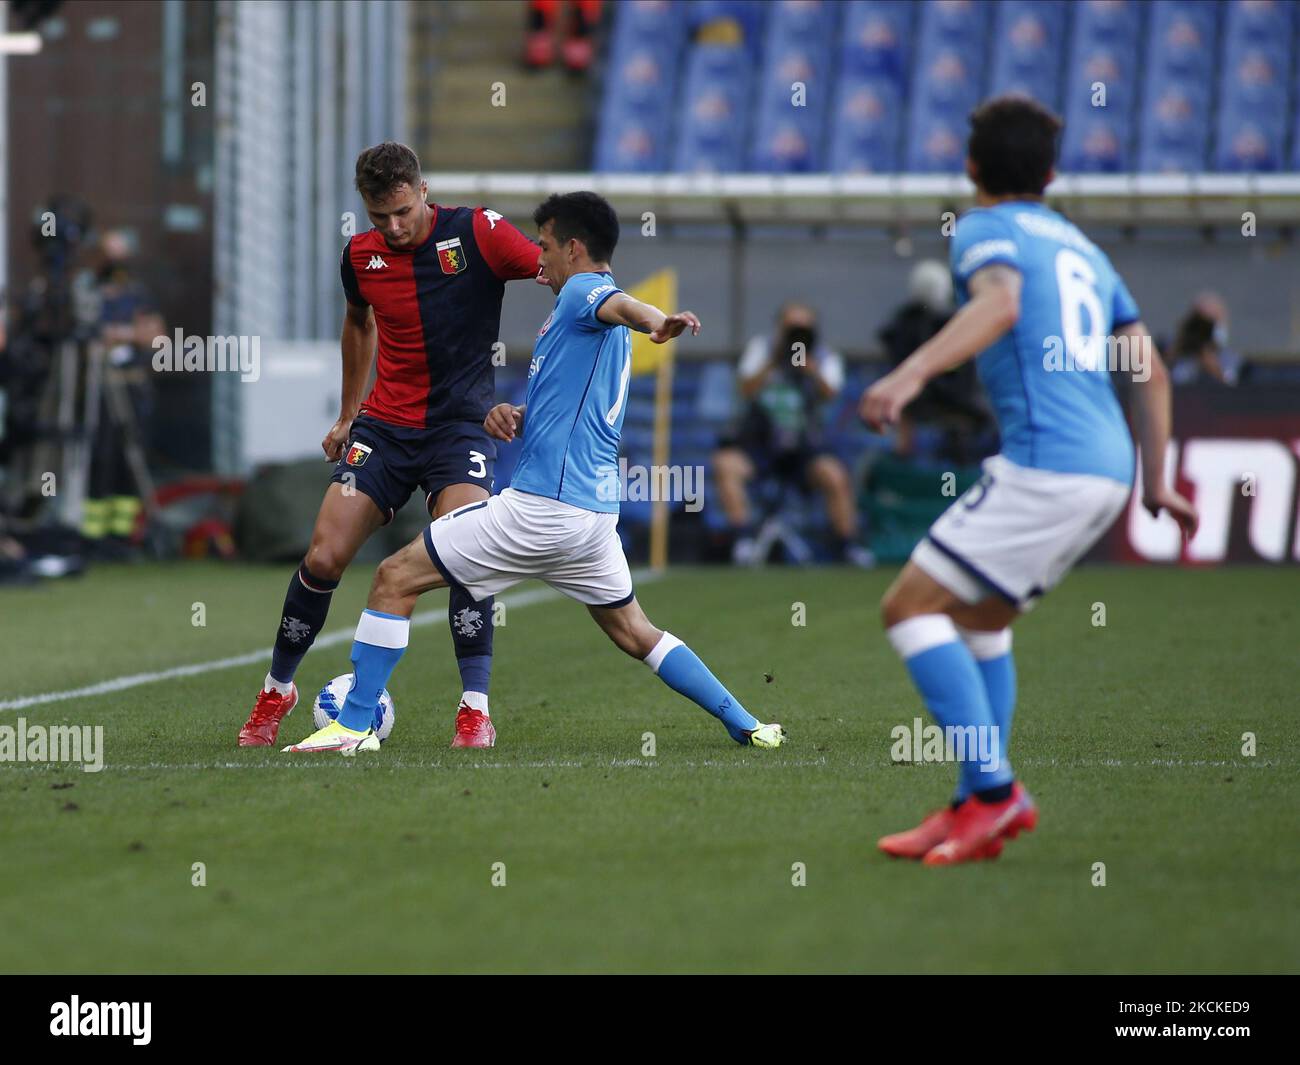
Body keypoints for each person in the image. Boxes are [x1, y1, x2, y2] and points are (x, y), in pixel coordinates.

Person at [282, 191, 786, 755]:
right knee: (636, 631)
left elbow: (620, 303)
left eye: (543, 246)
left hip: (543, 508)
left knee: (393, 578)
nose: (536, 259)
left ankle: (352, 727)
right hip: (594, 518)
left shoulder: (580, 291)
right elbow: (579, 399)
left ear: (573, 248)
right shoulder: (584, 323)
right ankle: (747, 723)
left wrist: (656, 321)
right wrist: (520, 416)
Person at [860, 96, 1198, 866]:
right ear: (1051, 173)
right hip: (1106, 466)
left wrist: (909, 373)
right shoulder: (1083, 248)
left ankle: (994, 790)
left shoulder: (983, 229)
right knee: (980, 622)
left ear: (971, 165)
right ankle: (968, 807)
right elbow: (1147, 366)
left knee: (908, 607)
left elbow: (1002, 303)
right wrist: (1157, 478)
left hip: (1050, 463)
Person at [236, 142, 540, 750]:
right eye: (381, 217)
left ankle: (474, 709)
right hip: (385, 428)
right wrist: (349, 414)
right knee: (323, 557)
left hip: (462, 428)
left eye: (403, 211)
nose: (394, 228)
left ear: (422, 190)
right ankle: (276, 691)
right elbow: (358, 321)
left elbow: (562, 280)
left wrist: (541, 391)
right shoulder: (359, 255)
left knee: (465, 556)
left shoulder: (479, 232)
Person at [712, 302, 872, 566]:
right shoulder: (761, 349)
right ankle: (742, 540)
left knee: (834, 474)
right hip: (760, 444)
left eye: (803, 329)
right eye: (791, 329)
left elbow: (831, 394)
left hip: (803, 447)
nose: (796, 335)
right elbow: (746, 389)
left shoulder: (824, 356)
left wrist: (810, 369)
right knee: (726, 465)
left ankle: (847, 546)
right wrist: (774, 360)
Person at [877, 260, 990, 464]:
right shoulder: (904, 324)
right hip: (916, 399)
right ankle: (904, 458)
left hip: (956, 396)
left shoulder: (954, 322)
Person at [1168, 291, 1242, 386]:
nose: (1203, 332)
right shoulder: (1177, 354)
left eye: (1209, 325)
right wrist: (1174, 355)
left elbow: (1234, 386)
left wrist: (1213, 367)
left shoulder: (1231, 359)